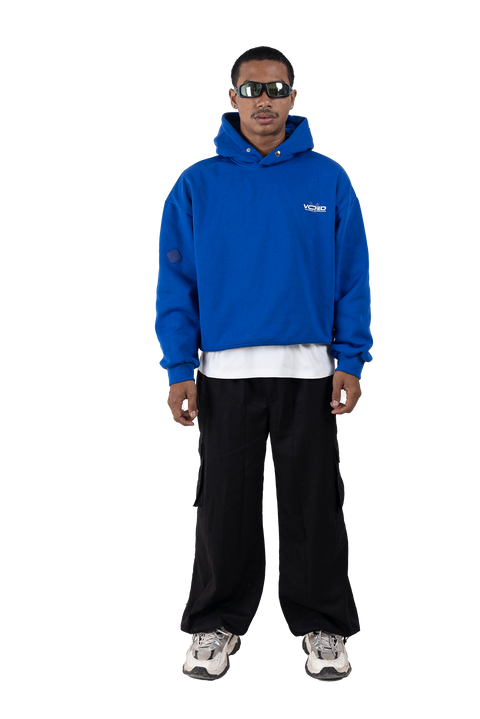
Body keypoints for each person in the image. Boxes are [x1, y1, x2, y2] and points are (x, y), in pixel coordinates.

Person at [153, 43, 375, 684]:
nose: (264, 101)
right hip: (224, 374)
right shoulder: (195, 184)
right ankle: (216, 622)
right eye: (251, 90)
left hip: (310, 371)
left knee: (314, 506)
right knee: (223, 507)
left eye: (277, 89)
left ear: (294, 97)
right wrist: (178, 369)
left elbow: (352, 277)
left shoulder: (329, 179)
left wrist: (352, 358)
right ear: (231, 98)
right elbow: (176, 285)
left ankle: (322, 625)